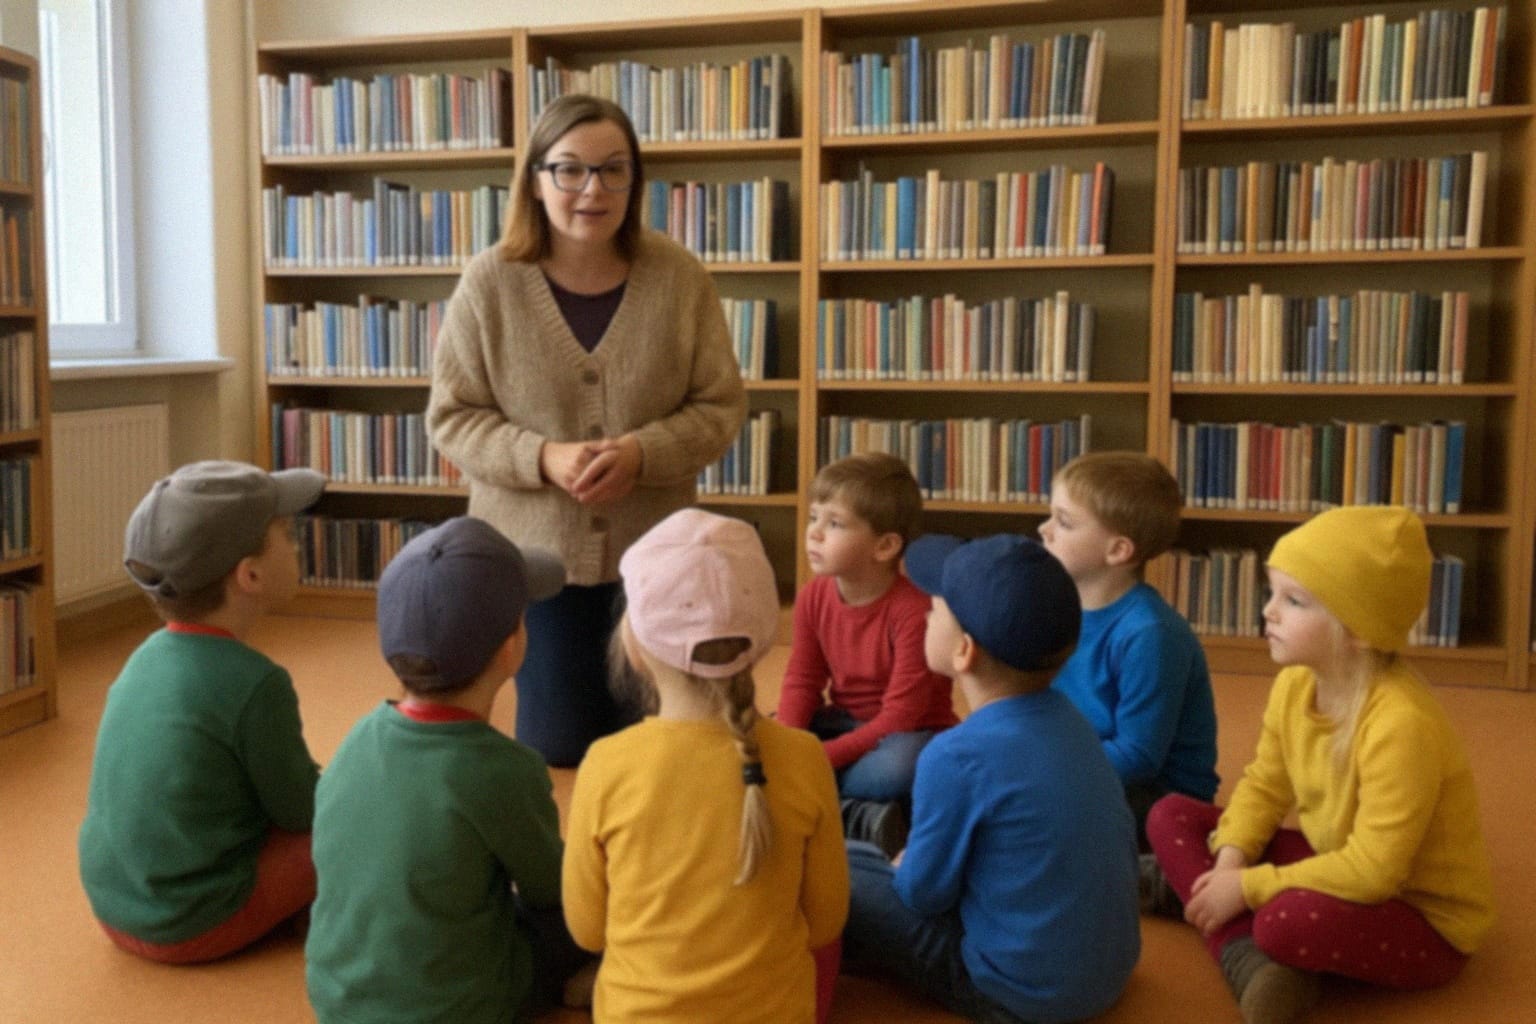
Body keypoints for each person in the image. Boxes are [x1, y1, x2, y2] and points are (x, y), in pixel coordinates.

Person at [427, 93, 747, 767]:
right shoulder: (490, 282)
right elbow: (452, 418)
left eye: (613, 169)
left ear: (636, 180)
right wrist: (541, 457)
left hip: (655, 557)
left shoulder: (680, 277)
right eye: (569, 169)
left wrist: (641, 452)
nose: (592, 189)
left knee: (664, 747)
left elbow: (721, 407)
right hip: (540, 565)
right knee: (563, 747)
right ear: (536, 180)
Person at [1143, 506, 1496, 1024]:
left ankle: (1213, 918)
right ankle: (1232, 933)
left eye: (1294, 601)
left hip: (1419, 914)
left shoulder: (1401, 725)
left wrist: (1248, 889)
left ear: (1358, 631)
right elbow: (1264, 784)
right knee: (1167, 814)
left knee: (1284, 926)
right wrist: (1231, 863)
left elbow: (1374, 872)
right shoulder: (1297, 683)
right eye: (1272, 593)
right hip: (1337, 858)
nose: (1269, 612)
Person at [563, 508, 849, 1023]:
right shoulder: (805, 757)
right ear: (762, 638)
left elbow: (587, 930)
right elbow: (826, 922)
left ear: (635, 645)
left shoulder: (606, 765)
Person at [843, 532, 1140, 1024]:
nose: (924, 615)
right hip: (1109, 973)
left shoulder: (955, 755)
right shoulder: (1074, 721)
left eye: (934, 609)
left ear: (964, 651)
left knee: (844, 866)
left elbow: (922, 896)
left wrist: (910, 864)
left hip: (1014, 994)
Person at [306, 516, 593, 1023]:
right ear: (512, 648)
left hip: (336, 998)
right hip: (456, 1007)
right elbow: (555, 890)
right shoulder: (505, 769)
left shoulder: (356, 738)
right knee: (586, 914)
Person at [78, 460, 325, 963]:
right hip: (188, 921)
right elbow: (304, 810)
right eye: (284, 532)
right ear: (250, 575)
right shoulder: (258, 684)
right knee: (353, 826)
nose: (295, 542)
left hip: (113, 904)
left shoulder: (145, 655)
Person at [776, 453, 957, 854]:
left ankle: (823, 808)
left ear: (885, 546)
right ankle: (854, 816)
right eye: (814, 518)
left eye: (835, 523)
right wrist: (789, 743)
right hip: (843, 723)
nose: (815, 534)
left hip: (907, 735)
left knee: (902, 768)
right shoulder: (813, 596)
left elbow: (900, 717)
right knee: (762, 733)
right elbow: (803, 680)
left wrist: (817, 760)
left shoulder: (914, 612)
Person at [1038, 451, 1218, 848]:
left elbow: (1138, 757)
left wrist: (1045, 766)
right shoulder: (1056, 603)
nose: (1044, 529)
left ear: (1118, 550)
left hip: (1156, 794)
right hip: (1081, 761)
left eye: (1064, 522)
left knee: (1029, 809)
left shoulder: (1150, 634)